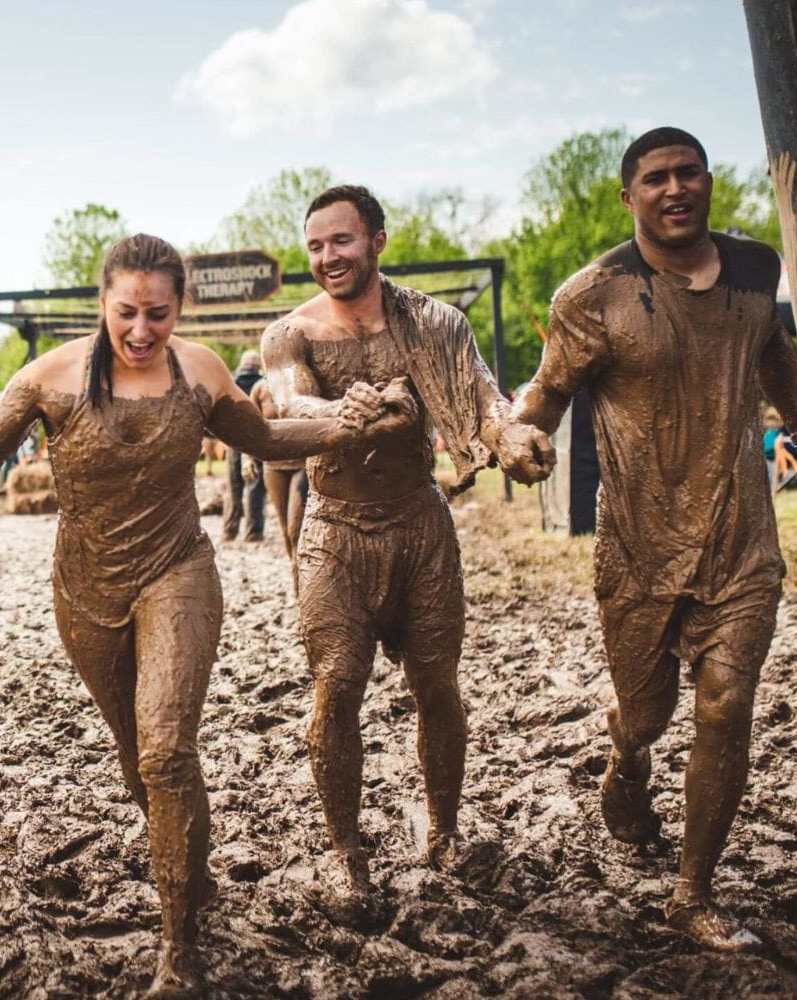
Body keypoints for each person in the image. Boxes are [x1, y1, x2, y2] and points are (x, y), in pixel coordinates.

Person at [0, 233, 404, 997]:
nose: (140, 330)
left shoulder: (196, 370)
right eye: (126, 312)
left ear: (179, 309)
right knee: (141, 764)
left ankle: (180, 952)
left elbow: (264, 437)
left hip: (178, 573)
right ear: (103, 302)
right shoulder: (47, 379)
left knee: (167, 751)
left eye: (157, 314)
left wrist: (347, 425)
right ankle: (192, 875)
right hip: (86, 593)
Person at [508, 128, 797, 951]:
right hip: (637, 551)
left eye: (689, 173)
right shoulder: (591, 295)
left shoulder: (755, 269)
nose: (676, 189)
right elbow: (549, 392)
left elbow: (771, 353)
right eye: (656, 178)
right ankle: (626, 759)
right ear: (628, 195)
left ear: (708, 182)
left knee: (727, 704)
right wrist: (522, 439)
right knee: (648, 713)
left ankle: (692, 894)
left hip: (741, 541)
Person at [260, 185, 554, 921]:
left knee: (437, 684)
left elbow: (483, 399)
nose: (328, 257)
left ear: (378, 241)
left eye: (342, 241)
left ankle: (446, 833)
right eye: (317, 246)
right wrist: (344, 409)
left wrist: (513, 438)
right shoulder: (289, 333)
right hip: (335, 527)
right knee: (336, 688)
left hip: (420, 525)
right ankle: (344, 855)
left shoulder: (434, 322)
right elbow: (286, 401)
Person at [251, 379, 309, 590]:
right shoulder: (259, 388)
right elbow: (250, 427)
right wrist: (249, 459)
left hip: (301, 464)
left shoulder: (301, 384)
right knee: (285, 529)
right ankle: (295, 573)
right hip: (273, 466)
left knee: (296, 528)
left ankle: (301, 575)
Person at [221, 350, 269, 543]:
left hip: (234, 440)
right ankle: (253, 533)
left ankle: (229, 531)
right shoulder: (264, 385)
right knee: (255, 488)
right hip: (256, 441)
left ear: (242, 365)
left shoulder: (231, 382)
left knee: (233, 487)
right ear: (258, 365)